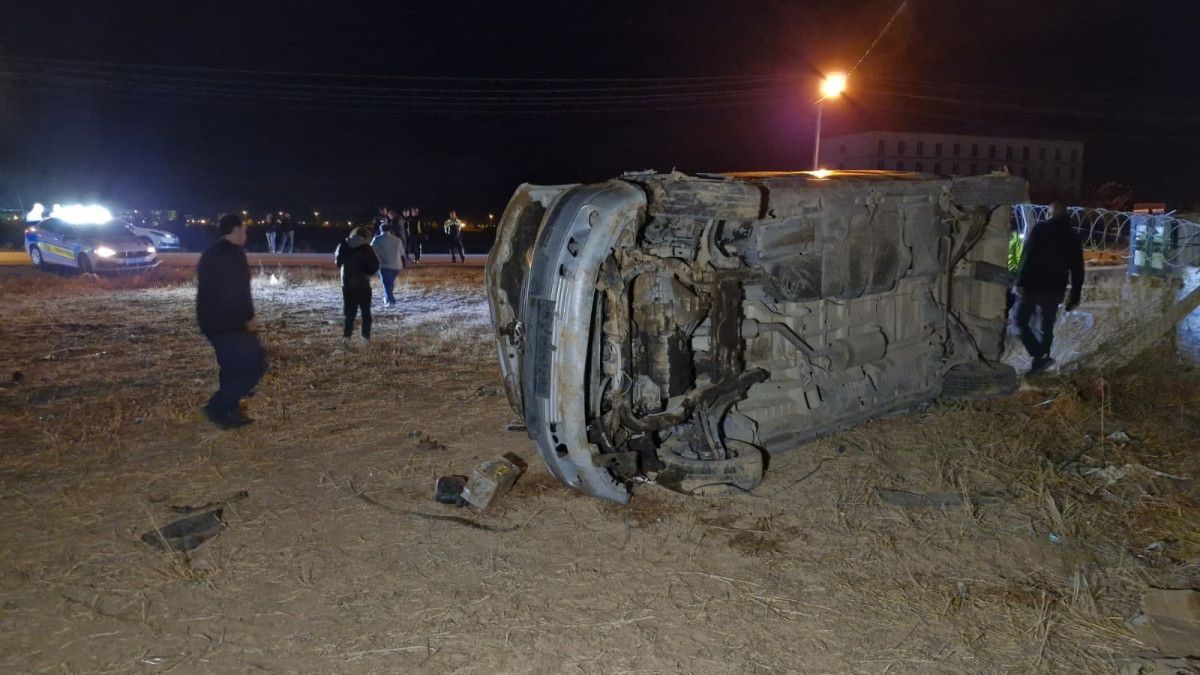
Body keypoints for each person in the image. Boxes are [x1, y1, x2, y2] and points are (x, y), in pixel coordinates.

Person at [196, 213, 266, 429]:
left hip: (210, 322)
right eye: (244, 230)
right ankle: (218, 407)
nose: (245, 235)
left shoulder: (209, 253)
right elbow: (239, 291)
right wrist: (248, 317)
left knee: (230, 368)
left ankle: (230, 411)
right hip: (231, 323)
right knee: (255, 365)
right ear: (235, 230)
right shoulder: (234, 255)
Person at [1012, 201, 1084, 373]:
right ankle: (1041, 360)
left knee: (1019, 322)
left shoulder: (1040, 229)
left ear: (1050, 213)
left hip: (1034, 285)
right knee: (1046, 326)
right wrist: (1075, 295)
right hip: (1055, 288)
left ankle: (1039, 356)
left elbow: (1026, 256)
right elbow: (1078, 269)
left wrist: (1019, 282)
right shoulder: (1072, 236)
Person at [335, 225, 381, 349]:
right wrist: (367, 271)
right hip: (363, 284)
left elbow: (338, 262)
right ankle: (365, 339)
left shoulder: (344, 244)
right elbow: (374, 267)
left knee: (350, 313)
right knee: (366, 312)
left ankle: (346, 337)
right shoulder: (367, 248)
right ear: (365, 236)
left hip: (347, 284)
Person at [371, 221, 405, 306]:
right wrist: (403, 263)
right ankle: (386, 298)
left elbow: (370, 250)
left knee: (386, 284)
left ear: (380, 230)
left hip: (384, 265)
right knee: (389, 283)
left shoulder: (377, 239)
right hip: (397, 266)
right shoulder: (397, 240)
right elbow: (402, 253)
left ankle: (391, 301)